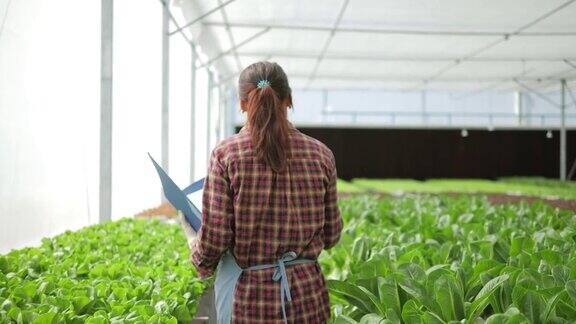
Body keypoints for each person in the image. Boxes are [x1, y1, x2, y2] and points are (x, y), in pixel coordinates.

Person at [180, 61, 342, 324]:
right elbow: (332, 234)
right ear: (289, 100)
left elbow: (216, 237)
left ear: (243, 104)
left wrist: (194, 245)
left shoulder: (226, 155)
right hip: (308, 297)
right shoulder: (321, 155)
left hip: (249, 297)